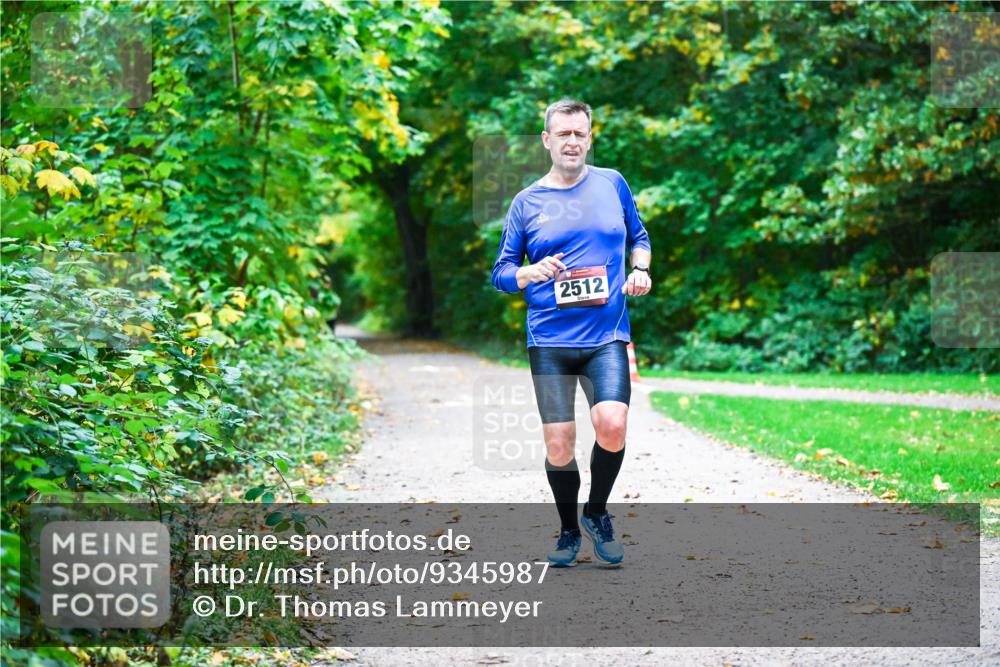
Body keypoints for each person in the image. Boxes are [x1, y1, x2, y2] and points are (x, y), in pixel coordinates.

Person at [491, 99, 652, 567]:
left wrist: (640, 270)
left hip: (606, 335)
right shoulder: (527, 202)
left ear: (589, 137)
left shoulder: (612, 184)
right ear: (546, 140)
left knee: (613, 424)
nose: (572, 142)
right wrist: (529, 272)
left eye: (580, 133)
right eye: (563, 134)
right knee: (559, 443)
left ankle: (597, 513)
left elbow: (639, 238)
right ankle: (567, 530)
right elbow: (501, 272)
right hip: (551, 341)